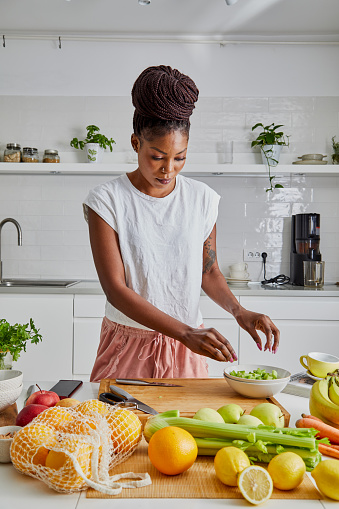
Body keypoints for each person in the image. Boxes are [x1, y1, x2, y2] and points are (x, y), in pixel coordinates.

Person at [83, 65, 280, 382]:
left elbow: (209, 270)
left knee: (186, 431)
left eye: (179, 157)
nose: (168, 170)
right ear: (136, 144)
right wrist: (185, 332)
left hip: (189, 347)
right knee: (118, 430)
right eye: (157, 156)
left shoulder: (202, 199)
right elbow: (116, 290)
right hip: (128, 344)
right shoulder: (106, 201)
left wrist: (239, 311)